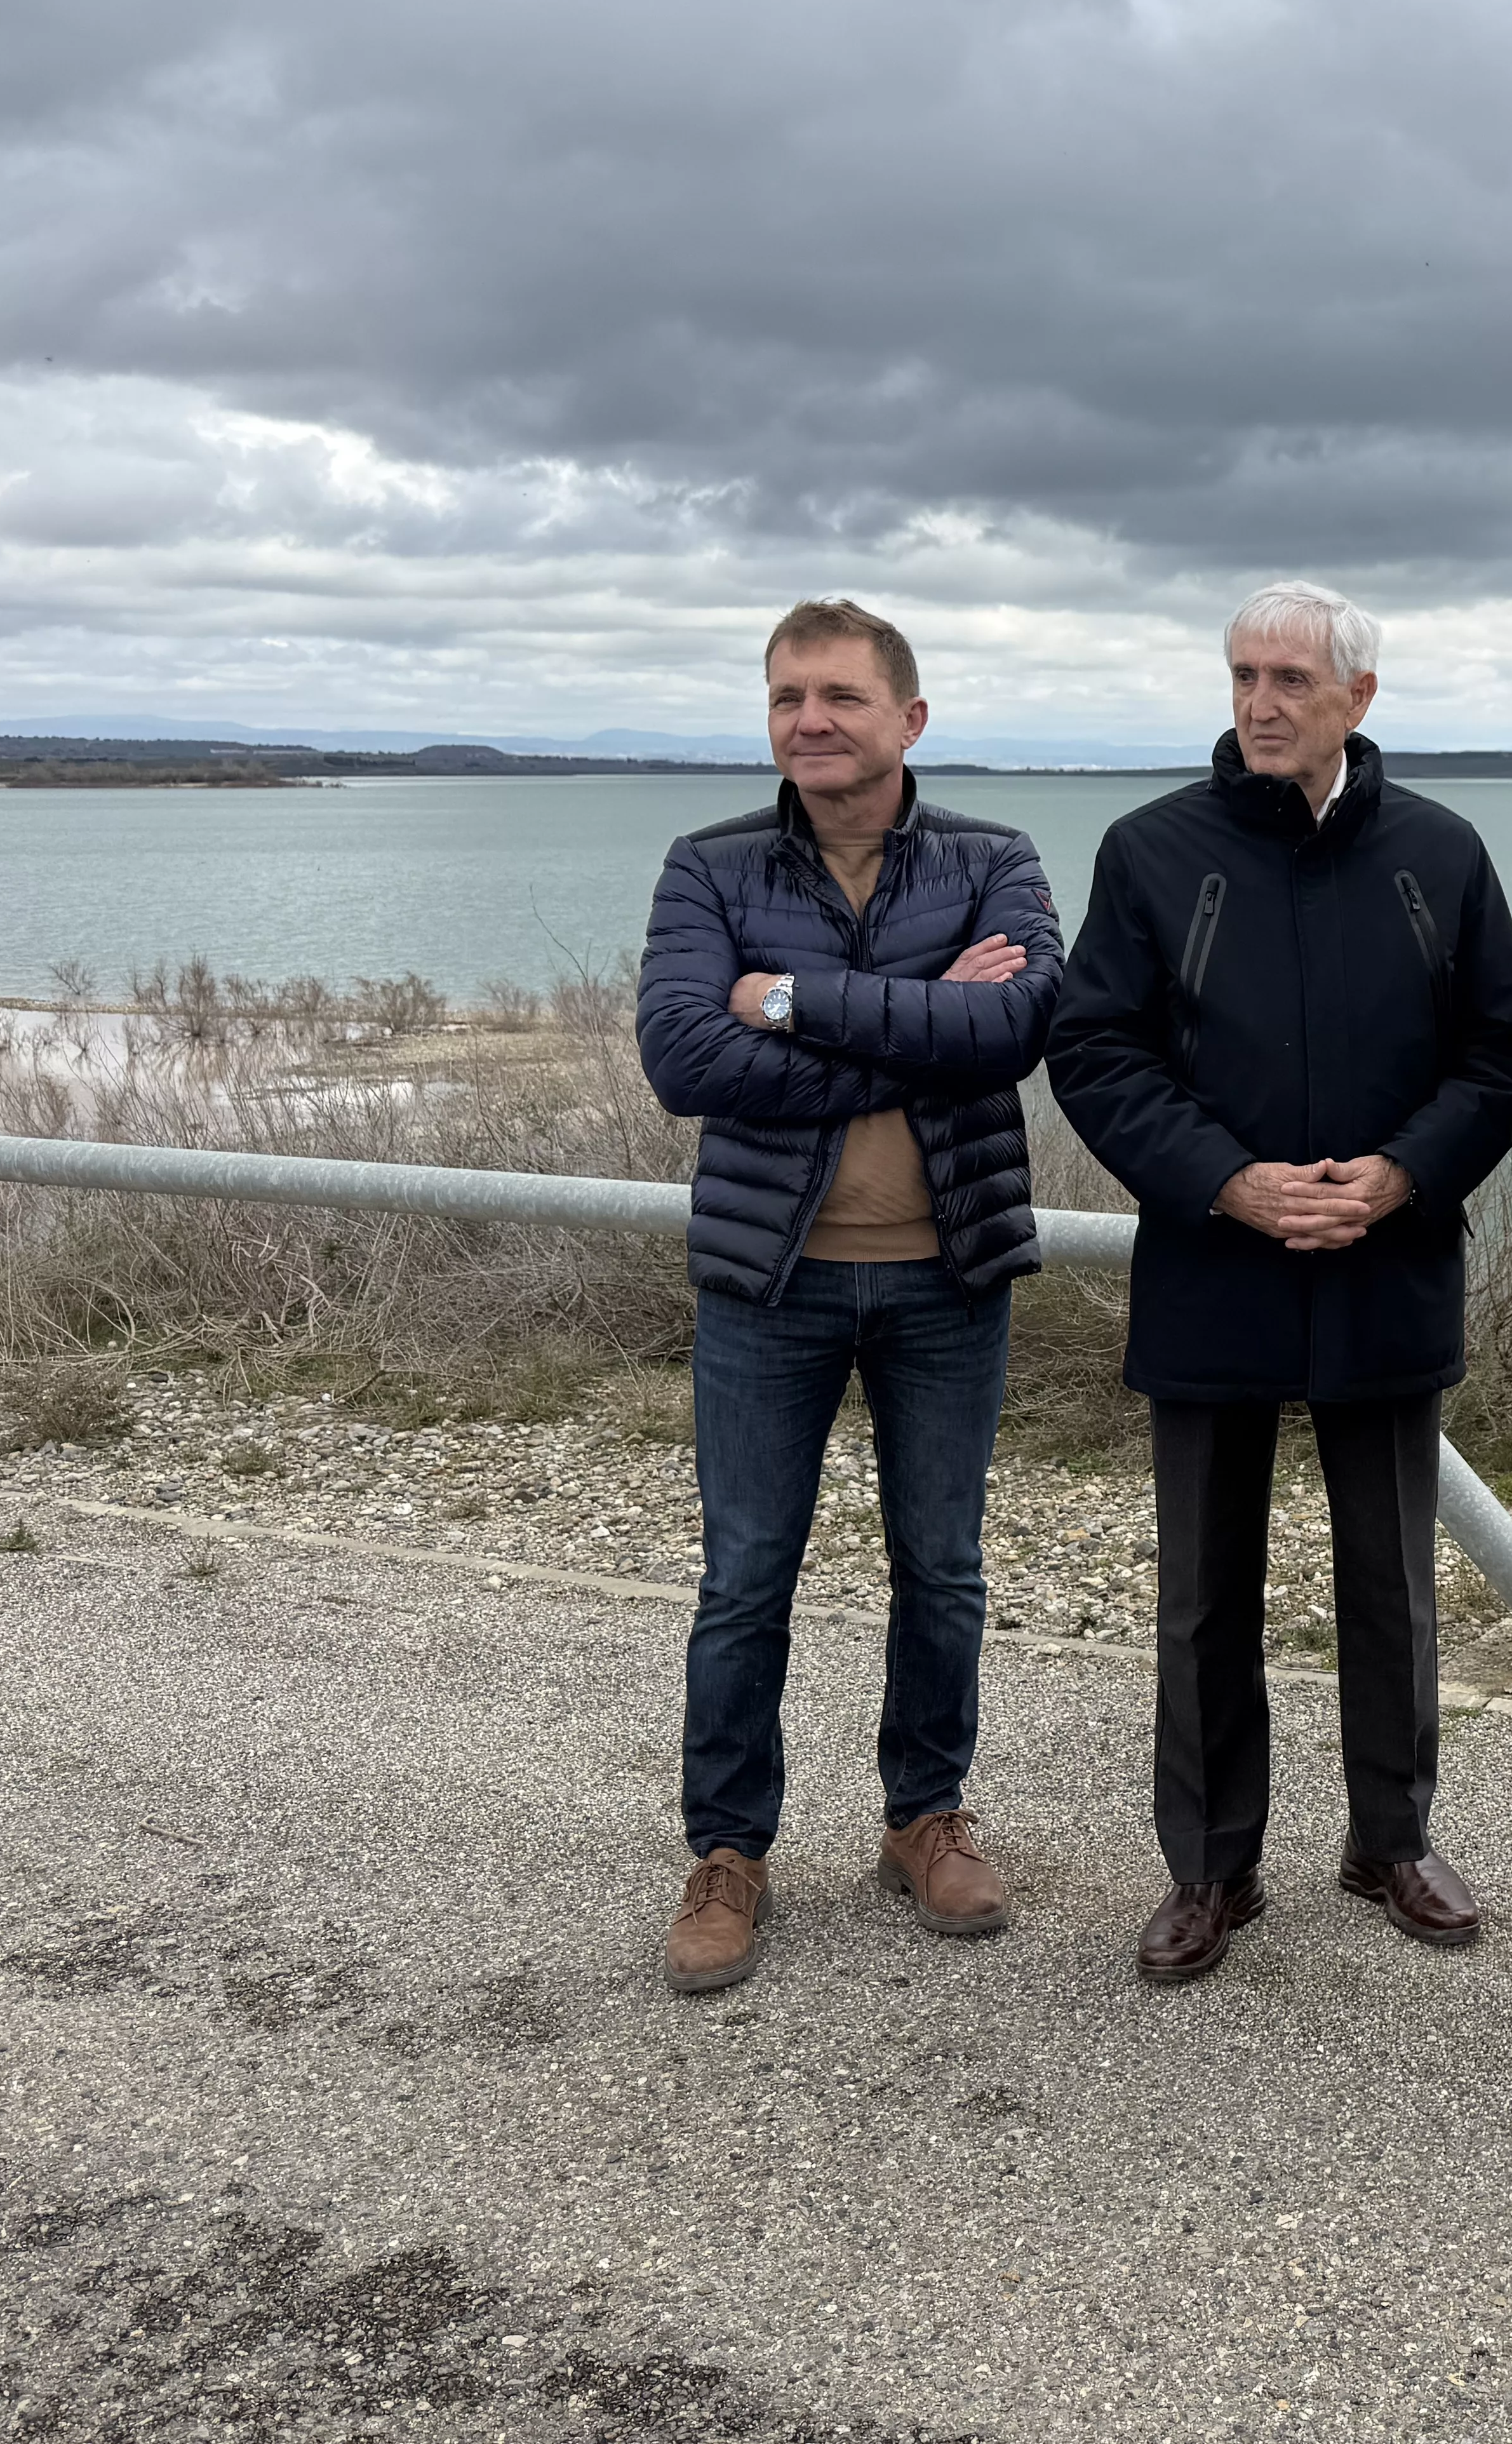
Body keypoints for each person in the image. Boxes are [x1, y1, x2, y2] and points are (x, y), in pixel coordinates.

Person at [1050, 582, 1512, 1982]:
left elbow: (1502, 1057)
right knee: (1205, 1590)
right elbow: (1095, 1053)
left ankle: (1390, 1838)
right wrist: (1228, 1180)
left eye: (1291, 681)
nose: (1261, 704)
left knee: (1392, 1578)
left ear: (1358, 700)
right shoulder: (1152, 852)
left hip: (1387, 1267)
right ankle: (1212, 1867)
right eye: (1243, 676)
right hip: (1216, 1266)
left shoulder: (1439, 855)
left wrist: (1399, 1176)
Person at [634, 596, 1067, 1996]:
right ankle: (728, 1854)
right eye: (784, 698)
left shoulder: (997, 858)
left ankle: (922, 1818)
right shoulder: (707, 870)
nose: (808, 720)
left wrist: (792, 1001)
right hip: (772, 1288)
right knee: (745, 1577)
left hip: (948, 1278)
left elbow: (1015, 1027)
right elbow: (685, 1062)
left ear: (910, 720)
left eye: (838, 696)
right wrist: (915, 1013)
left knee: (940, 1570)